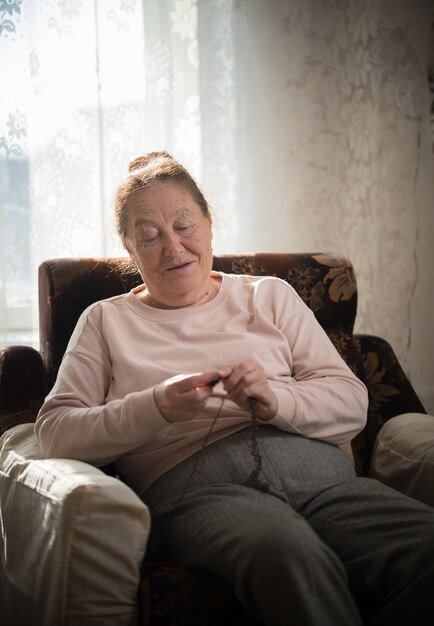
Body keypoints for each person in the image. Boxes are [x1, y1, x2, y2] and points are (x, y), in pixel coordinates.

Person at [35, 151, 434, 626]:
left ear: (208, 224)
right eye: (149, 236)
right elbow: (55, 433)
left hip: (323, 479)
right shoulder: (104, 321)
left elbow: (350, 403)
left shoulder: (269, 295)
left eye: (184, 226)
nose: (173, 247)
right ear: (129, 247)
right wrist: (156, 406)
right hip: (196, 492)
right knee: (285, 555)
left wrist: (274, 397)